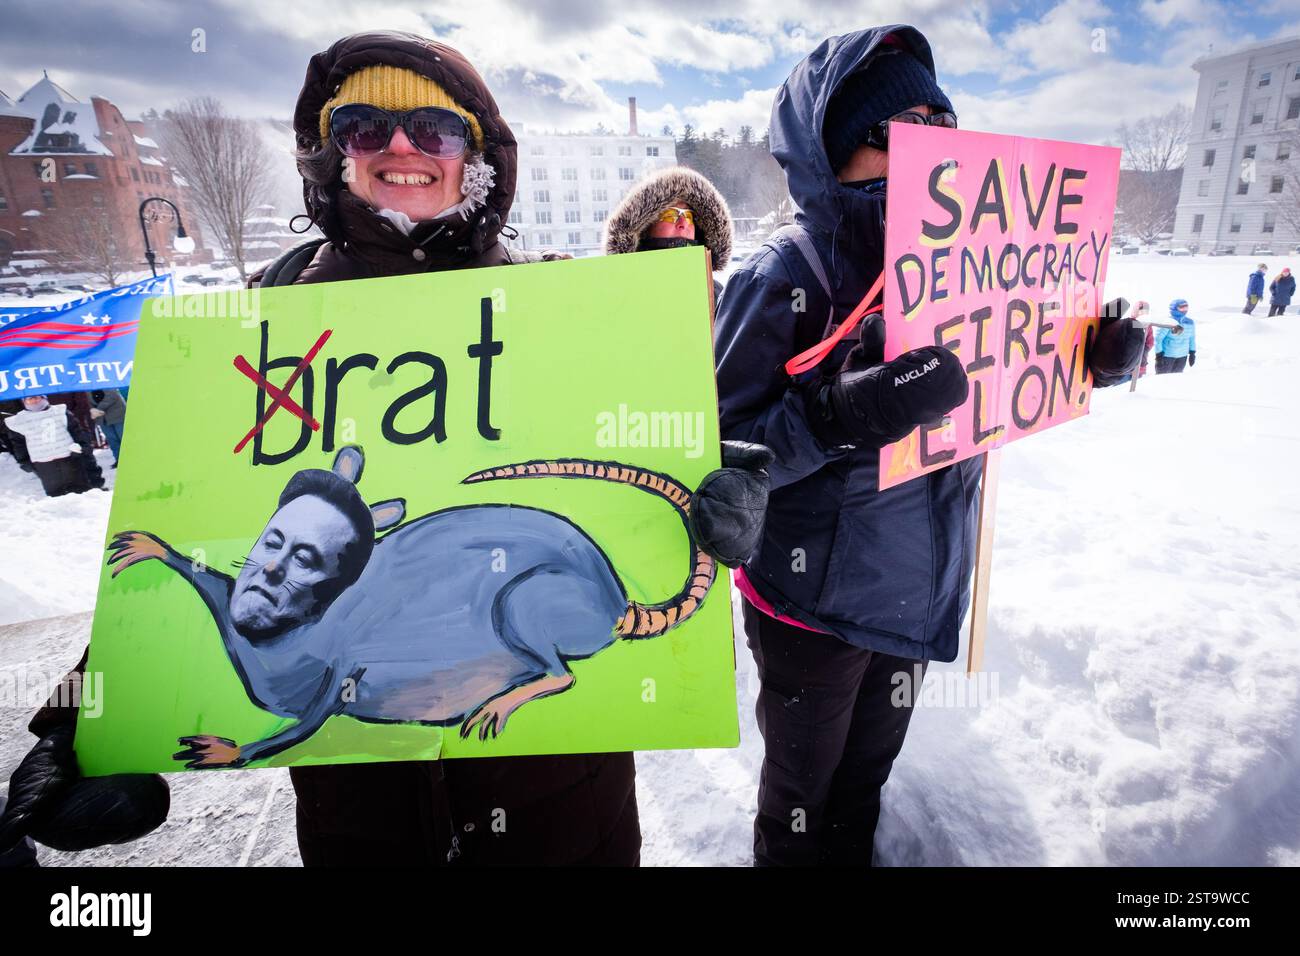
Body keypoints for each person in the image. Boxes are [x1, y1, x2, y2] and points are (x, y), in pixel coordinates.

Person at [1, 31, 768, 868]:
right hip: (365, 815)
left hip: (559, 801)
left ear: (477, 156)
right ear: (334, 152)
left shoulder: (567, 314)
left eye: (436, 129)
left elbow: (648, 483)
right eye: (365, 126)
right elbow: (192, 528)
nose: (402, 148)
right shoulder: (262, 327)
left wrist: (714, 506)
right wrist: (73, 725)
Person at [714, 24, 1146, 866]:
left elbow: (1002, 373)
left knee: (867, 774)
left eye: (939, 125)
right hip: (810, 608)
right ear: (831, 150)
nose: (923, 147)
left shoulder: (988, 257)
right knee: (801, 794)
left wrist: (1084, 358)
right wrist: (842, 416)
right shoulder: (783, 275)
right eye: (890, 132)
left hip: (922, 581)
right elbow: (719, 460)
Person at [603, 165, 733, 298]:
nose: (683, 224)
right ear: (645, 227)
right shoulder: (616, 291)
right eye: (671, 215)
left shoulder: (715, 293)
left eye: (689, 217)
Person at [1, 394, 94, 497]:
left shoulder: (60, 411)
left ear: (44, 398)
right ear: (24, 401)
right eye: (29, 398)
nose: (34, 400)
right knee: (56, 494)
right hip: (43, 463)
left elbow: (76, 431)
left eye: (37, 397)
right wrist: (24, 461)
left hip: (69, 458)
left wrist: (83, 446)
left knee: (81, 490)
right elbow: (19, 444)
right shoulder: (19, 421)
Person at [1154, 299, 1196, 374]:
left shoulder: (1189, 322)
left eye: (1186, 307)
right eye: (1182, 307)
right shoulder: (1168, 321)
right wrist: (1159, 354)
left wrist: (1192, 353)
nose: (1184, 310)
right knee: (1161, 380)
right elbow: (1158, 339)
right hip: (1167, 356)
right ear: (1174, 308)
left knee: (1175, 380)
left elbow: (1192, 338)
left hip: (1182, 357)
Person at [90, 388, 127, 467]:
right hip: (102, 419)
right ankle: (119, 460)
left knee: (124, 438)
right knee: (112, 440)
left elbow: (112, 396)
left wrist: (98, 409)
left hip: (118, 415)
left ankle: (131, 458)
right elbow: (87, 401)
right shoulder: (85, 386)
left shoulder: (106, 382)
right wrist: (92, 410)